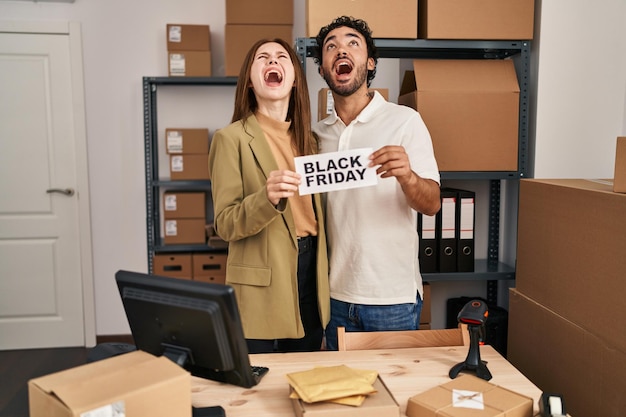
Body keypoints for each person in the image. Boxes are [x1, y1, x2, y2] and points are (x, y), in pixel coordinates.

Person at [312, 16, 442, 350]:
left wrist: (408, 176)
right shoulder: (316, 135)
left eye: (353, 43)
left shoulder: (405, 121)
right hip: (334, 297)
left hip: (391, 297)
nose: (342, 49)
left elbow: (432, 204)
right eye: (331, 47)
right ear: (323, 69)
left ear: (369, 63)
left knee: (394, 395)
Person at [208, 38, 330, 353]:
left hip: (310, 274)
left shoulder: (311, 142)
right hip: (260, 283)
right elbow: (225, 224)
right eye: (262, 57)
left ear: (294, 78)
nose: (272, 61)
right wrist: (267, 198)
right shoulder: (229, 139)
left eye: (281, 57)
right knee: (260, 384)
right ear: (250, 80)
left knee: (304, 375)